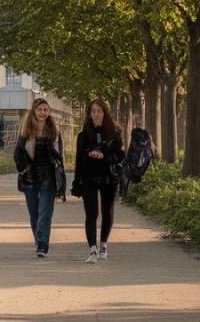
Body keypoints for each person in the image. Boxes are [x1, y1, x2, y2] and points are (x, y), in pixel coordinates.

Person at [72, 99, 124, 264]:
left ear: (105, 113)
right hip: (89, 176)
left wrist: (106, 156)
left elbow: (120, 157)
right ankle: (92, 250)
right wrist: (76, 182)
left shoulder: (115, 132)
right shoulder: (83, 135)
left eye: (99, 111)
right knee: (91, 213)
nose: (95, 114)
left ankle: (103, 246)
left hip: (109, 176)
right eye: (93, 111)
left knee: (107, 212)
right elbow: (78, 160)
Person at [14, 98, 66, 258]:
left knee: (45, 211)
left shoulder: (54, 133)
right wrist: (24, 168)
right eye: (40, 109)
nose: (43, 112)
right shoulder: (25, 131)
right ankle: (38, 238)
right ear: (34, 112)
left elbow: (60, 157)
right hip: (30, 176)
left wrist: (61, 183)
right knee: (34, 212)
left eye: (45, 110)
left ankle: (43, 244)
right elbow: (17, 155)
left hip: (48, 176)